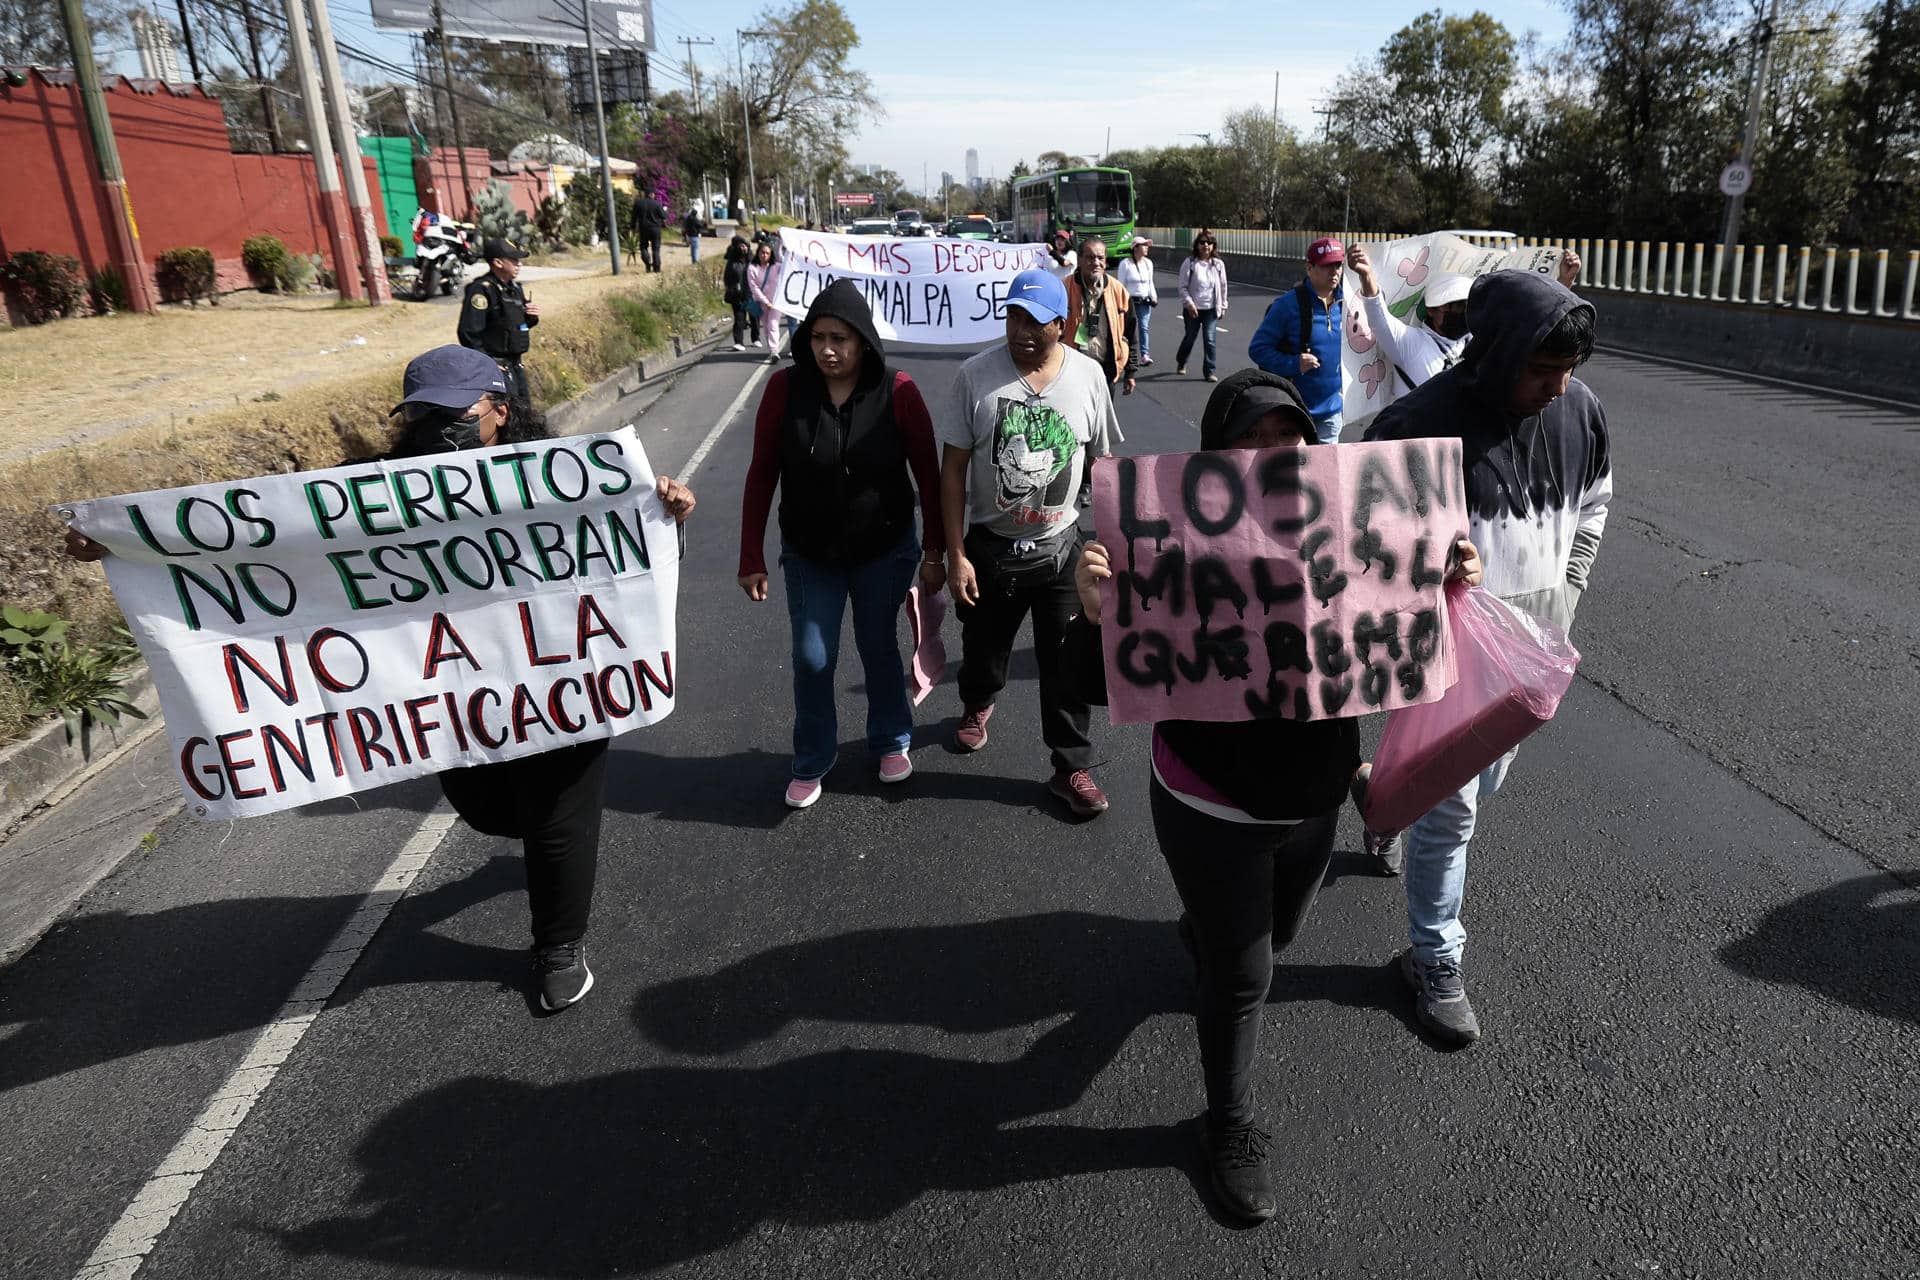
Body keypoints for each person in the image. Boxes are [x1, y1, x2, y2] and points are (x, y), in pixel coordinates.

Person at [62, 345, 699, 1015]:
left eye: (451, 414)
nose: (433, 429)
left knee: (554, 814)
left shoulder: (559, 480)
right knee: (485, 807)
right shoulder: (374, 491)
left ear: (500, 412)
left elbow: (626, 532)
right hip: (461, 696)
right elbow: (262, 535)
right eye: (421, 415)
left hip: (560, 679)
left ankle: (558, 946)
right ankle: (541, 855)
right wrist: (128, 544)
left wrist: (667, 506)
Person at [1062, 369, 1482, 1222]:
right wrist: (1096, 612)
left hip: (1313, 799)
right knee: (1244, 972)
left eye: (1286, 440)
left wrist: (1444, 580)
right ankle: (1228, 1123)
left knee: (1280, 930)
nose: (1270, 458)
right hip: (1208, 799)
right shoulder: (1168, 546)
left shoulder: (1342, 536)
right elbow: (1090, 682)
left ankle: (1205, 936)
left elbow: (1402, 642)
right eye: (1248, 443)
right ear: (1209, 464)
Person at [1363, 270, 1612, 1046]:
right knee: (1454, 813)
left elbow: (1598, 501)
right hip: (1441, 651)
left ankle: (1381, 793)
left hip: (1531, 655)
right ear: (1498, 351)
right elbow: (1360, 542)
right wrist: (1424, 577)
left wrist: (1565, 593)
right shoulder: (1418, 425)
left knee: (1475, 784)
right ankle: (1436, 960)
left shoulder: (1582, 413)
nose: (1557, 387)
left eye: (1568, 371)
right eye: (1542, 371)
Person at [737, 281, 949, 809]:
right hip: (810, 552)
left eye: (840, 339)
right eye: (817, 338)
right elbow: (762, 472)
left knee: (878, 646)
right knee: (812, 658)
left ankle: (892, 739)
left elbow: (929, 476)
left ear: (864, 342)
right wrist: (750, 555)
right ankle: (812, 758)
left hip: (885, 548)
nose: (828, 350)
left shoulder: (899, 391)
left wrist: (934, 553)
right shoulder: (784, 391)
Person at [938, 268, 1118, 819]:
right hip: (991, 548)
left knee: (1064, 664)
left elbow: (1104, 467)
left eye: (1035, 321)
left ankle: (1070, 767)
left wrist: (1116, 545)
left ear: (1060, 325)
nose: (1021, 331)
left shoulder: (1088, 376)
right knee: (984, 652)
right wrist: (955, 554)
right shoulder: (975, 377)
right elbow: (952, 472)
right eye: (1013, 317)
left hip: (1062, 547)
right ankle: (976, 702)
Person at [1250, 236, 1346, 443]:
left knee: (1325, 472)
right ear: (1309, 268)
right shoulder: (1287, 305)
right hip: (1294, 411)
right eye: (1326, 265)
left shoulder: (1347, 303)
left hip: (1331, 411)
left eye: (1338, 264)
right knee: (1294, 473)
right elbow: (1258, 349)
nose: (1334, 271)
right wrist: (1294, 364)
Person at [456, 236, 540, 405]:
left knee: (525, 411)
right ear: (498, 263)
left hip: (516, 363)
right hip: (497, 367)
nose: (519, 264)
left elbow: (514, 324)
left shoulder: (514, 288)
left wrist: (530, 317)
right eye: (514, 260)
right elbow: (468, 332)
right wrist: (488, 363)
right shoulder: (481, 290)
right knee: (508, 414)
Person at [1062, 235, 1138, 401]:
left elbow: (1131, 333)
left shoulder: (1119, 290)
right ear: (1079, 260)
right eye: (1089, 257)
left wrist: (1130, 371)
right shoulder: (1063, 289)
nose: (1095, 262)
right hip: (1073, 371)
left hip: (1107, 370)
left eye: (1100, 257)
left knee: (1103, 423)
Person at [1175, 230, 1228, 381]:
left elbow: (1223, 287)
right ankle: (1182, 360)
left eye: (1209, 243)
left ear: (1213, 246)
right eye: (1202, 242)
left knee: (1210, 339)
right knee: (1190, 337)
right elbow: (1182, 287)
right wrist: (1190, 304)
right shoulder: (1190, 263)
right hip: (1193, 309)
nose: (1206, 245)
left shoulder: (1218, 265)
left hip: (1210, 309)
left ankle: (1209, 371)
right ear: (1197, 245)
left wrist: (1223, 306)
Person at [1116, 234, 1158, 366]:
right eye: (1143, 245)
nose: (1146, 248)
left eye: (1147, 245)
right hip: (1130, 301)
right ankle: (1126, 354)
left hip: (1144, 301)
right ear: (1135, 248)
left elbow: (1150, 282)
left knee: (1144, 327)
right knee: (1129, 329)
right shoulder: (1125, 264)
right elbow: (1121, 284)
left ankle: (1145, 354)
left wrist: (1154, 296)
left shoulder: (1148, 263)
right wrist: (1120, 302)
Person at [747, 241, 784, 363]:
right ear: (758, 253)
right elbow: (754, 287)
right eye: (762, 252)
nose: (764, 255)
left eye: (767, 253)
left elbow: (787, 262)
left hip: (776, 302)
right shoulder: (752, 268)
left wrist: (782, 241)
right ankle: (771, 348)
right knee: (767, 327)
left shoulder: (776, 266)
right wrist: (765, 301)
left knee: (773, 325)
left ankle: (774, 351)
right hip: (761, 302)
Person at [723, 234, 756, 351]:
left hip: (751, 293)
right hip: (737, 295)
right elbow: (727, 278)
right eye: (741, 246)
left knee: (754, 317)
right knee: (739, 318)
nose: (743, 249)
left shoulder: (752, 260)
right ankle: (738, 342)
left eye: (745, 246)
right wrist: (732, 289)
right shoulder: (731, 262)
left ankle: (755, 338)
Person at [631, 191, 667, 272]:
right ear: (651, 194)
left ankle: (647, 262)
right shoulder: (657, 204)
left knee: (643, 247)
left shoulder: (638, 203)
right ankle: (657, 267)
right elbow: (663, 216)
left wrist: (633, 228)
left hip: (643, 229)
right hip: (655, 229)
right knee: (656, 248)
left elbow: (633, 217)